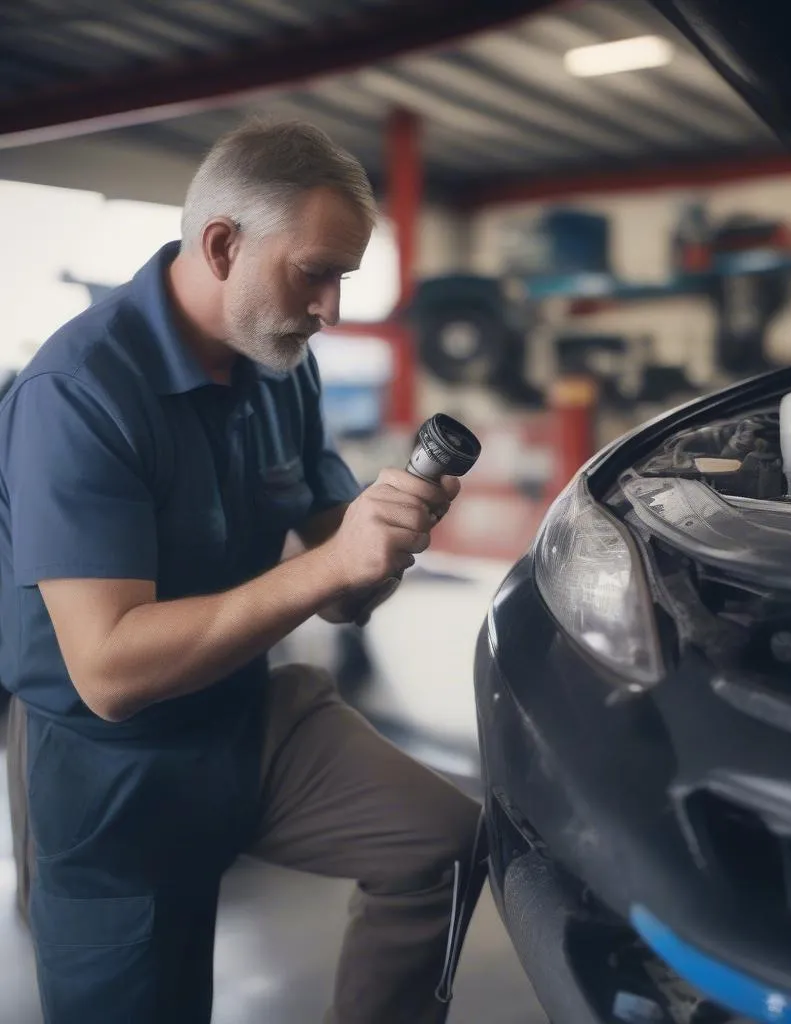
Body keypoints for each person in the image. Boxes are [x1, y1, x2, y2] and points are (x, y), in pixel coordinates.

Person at [0, 118, 485, 1024]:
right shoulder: (78, 393)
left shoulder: (281, 366)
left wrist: (380, 543)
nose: (334, 309)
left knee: (444, 841)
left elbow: (343, 596)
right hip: (114, 770)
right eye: (316, 273)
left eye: (344, 277)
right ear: (222, 245)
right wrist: (330, 565)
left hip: (245, 716)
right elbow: (110, 675)